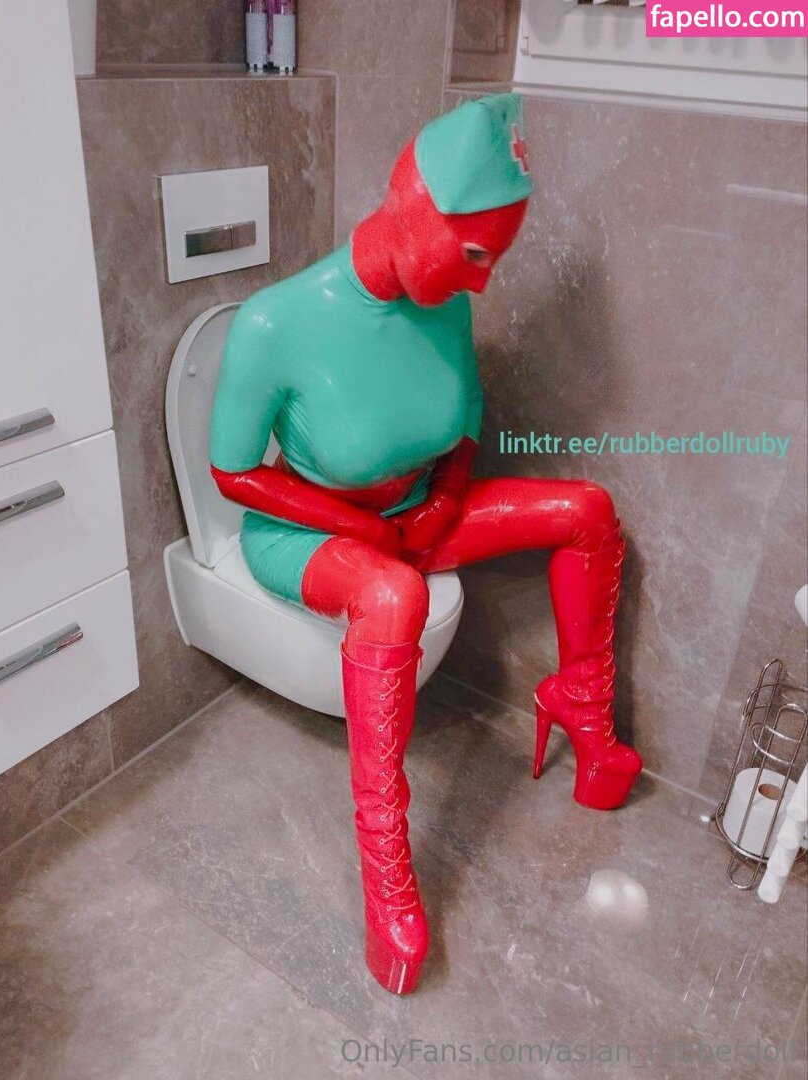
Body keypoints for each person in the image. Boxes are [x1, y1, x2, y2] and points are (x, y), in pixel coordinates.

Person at [209, 94, 642, 996]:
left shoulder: (440, 298)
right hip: (306, 532)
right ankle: (386, 876)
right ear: (411, 208)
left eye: (496, 259)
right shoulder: (275, 322)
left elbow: (464, 421)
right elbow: (231, 472)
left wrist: (444, 499)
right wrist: (367, 530)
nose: (482, 283)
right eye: (474, 254)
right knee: (394, 595)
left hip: (415, 517)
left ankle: (581, 707)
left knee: (587, 510)